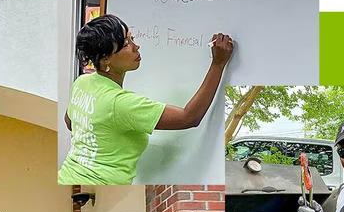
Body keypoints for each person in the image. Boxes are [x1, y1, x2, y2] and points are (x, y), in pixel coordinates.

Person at [58, 13, 234, 185]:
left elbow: (70, 121)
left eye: (132, 38)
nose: (136, 46)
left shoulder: (82, 83)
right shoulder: (119, 103)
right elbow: (189, 117)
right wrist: (218, 64)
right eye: (126, 44)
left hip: (69, 176)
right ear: (105, 60)